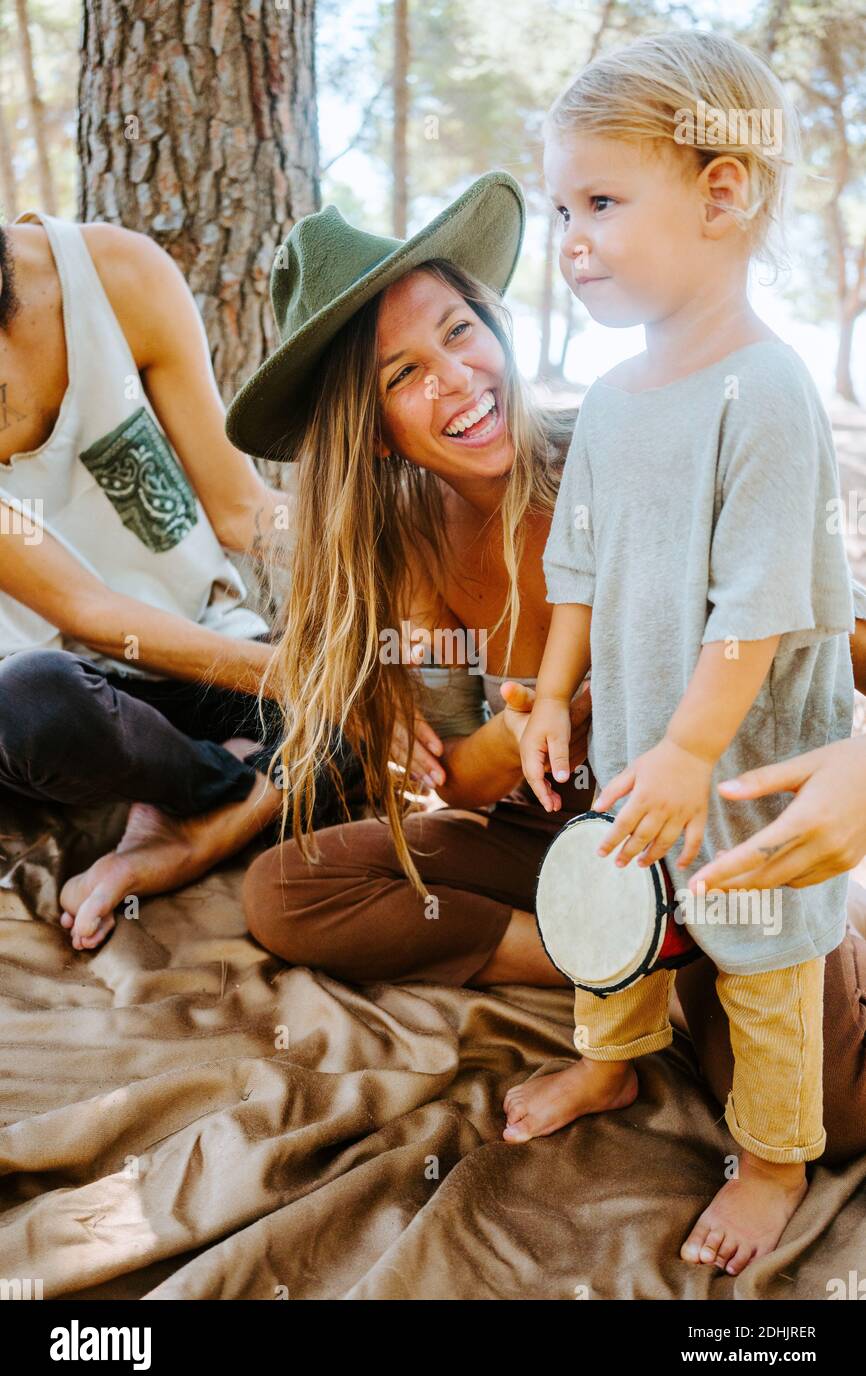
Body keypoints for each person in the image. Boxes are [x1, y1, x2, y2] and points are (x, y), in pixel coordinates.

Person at [223, 173, 866, 1192]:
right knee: (288, 888)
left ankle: (692, 952)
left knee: (827, 1116)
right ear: (373, 425)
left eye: (458, 331)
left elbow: (834, 629)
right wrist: (534, 716)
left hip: (717, 822)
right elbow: (468, 778)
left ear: (494, 322)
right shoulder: (407, 561)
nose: (456, 379)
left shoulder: (630, 444)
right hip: (559, 836)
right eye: (402, 373)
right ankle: (624, 954)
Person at [514, 31, 855, 1275]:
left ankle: (770, 1159)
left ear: (722, 192)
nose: (572, 236)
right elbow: (581, 571)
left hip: (742, 768)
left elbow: (755, 609)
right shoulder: (608, 398)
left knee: (765, 965)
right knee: (611, 915)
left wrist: (690, 750)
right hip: (634, 758)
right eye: (562, 206)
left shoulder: (763, 391)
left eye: (602, 200)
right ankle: (609, 1064)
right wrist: (554, 698)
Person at [0, 210, 359, 948]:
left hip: (201, 653)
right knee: (34, 701)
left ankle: (179, 834)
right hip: (56, 696)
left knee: (354, 721)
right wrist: (305, 677)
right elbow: (88, 610)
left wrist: (373, 551)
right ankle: (231, 790)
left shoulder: (116, 274)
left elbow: (241, 510)